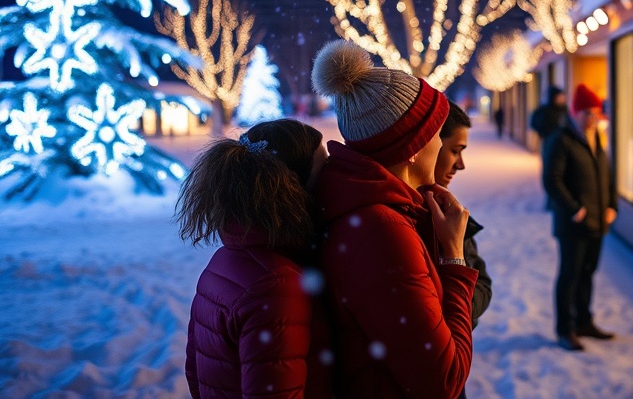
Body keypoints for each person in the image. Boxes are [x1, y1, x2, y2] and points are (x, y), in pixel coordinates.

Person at [311, 39, 478, 398]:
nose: (441, 142)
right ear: (414, 149)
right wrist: (453, 258)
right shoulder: (382, 233)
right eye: (436, 131)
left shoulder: (384, 212)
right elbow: (444, 380)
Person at [177, 119, 332, 398]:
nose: (332, 180)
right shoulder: (276, 285)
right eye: (324, 171)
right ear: (294, 187)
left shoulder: (224, 262)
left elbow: (195, 372)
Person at [543, 83, 617, 352]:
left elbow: (606, 176)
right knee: (569, 276)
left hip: (598, 221)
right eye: (588, 113)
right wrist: (575, 209)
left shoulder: (595, 139)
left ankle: (584, 322)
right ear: (575, 112)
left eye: (596, 113)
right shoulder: (561, 139)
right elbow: (552, 180)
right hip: (573, 225)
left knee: (588, 273)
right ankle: (566, 329)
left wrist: (611, 204)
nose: (593, 118)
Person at [433, 102, 493, 399]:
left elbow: (483, 283)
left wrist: (459, 313)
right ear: (428, 145)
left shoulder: (448, 210)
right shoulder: (417, 221)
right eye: (455, 150)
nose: (461, 164)